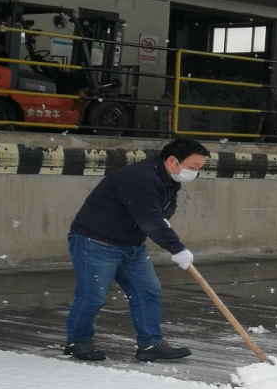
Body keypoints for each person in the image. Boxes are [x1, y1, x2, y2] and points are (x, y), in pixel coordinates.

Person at [64, 138, 209, 362]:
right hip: (95, 242)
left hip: (132, 245)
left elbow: (168, 205)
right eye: (192, 167)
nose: (194, 173)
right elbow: (149, 220)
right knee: (93, 296)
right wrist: (176, 248)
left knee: (147, 291)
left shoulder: (169, 177)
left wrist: (164, 217)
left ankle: (150, 344)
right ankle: (78, 341)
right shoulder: (139, 178)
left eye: (199, 169)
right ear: (173, 160)